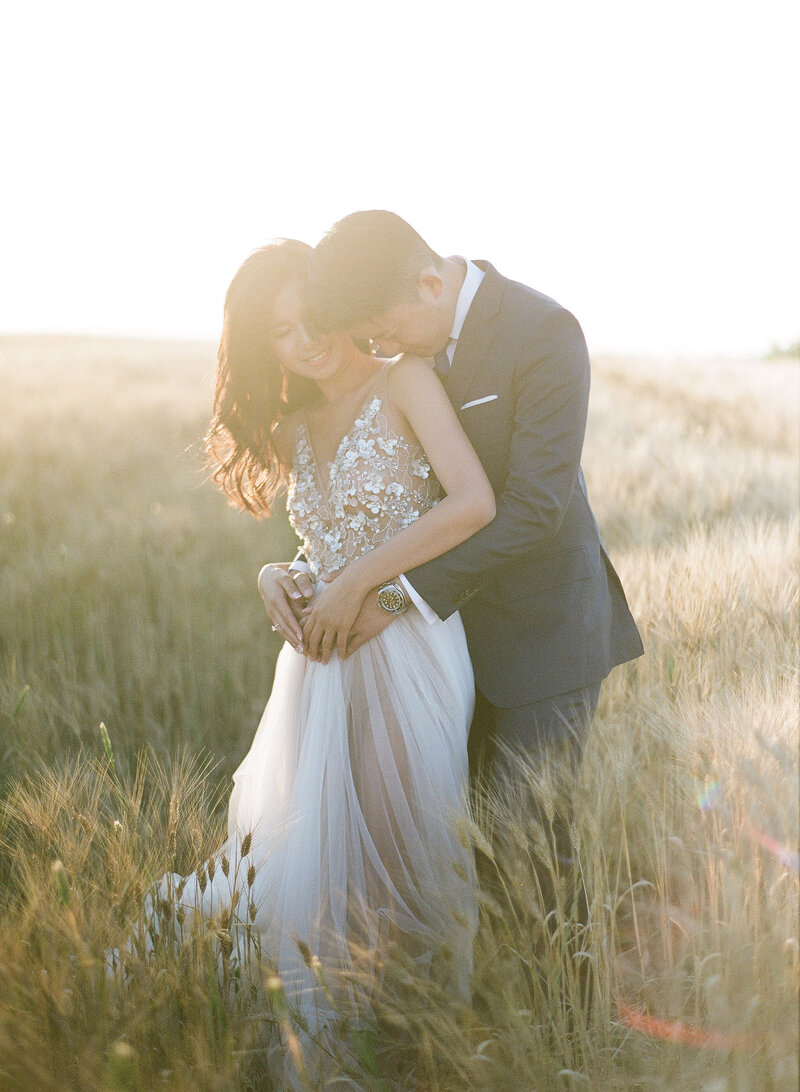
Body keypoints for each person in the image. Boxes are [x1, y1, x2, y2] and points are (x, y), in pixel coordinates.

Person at [142, 239, 495, 1081]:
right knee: (325, 856)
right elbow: (322, 540)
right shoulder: (295, 423)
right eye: (281, 333)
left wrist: (365, 584)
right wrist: (280, 573)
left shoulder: (404, 378)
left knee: (402, 848)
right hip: (320, 665)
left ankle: (416, 1042)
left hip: (406, 648)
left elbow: (472, 501)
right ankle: (339, 1037)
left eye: (311, 317)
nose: (306, 342)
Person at [260, 211, 644, 911]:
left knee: (531, 851)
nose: (380, 349)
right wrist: (303, 572)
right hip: (442, 647)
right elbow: (389, 498)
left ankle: (564, 1014)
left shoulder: (544, 333)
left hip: (542, 632)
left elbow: (534, 507)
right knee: (453, 855)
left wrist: (394, 596)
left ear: (430, 283)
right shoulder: (407, 352)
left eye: (386, 332)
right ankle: (477, 1014)